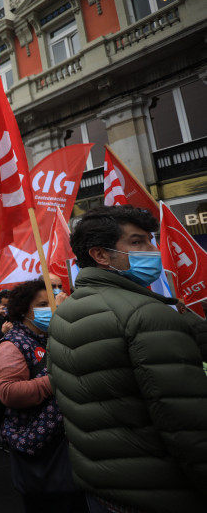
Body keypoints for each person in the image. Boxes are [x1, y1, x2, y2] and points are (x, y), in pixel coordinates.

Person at [48, 205, 207, 513]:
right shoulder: (146, 314)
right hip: (161, 491)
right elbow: (188, 424)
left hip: (104, 487)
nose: (152, 249)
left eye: (150, 240)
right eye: (137, 242)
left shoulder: (65, 312)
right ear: (101, 255)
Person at [0, 279, 86, 512]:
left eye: (52, 303)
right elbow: (9, 393)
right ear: (23, 310)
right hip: (40, 451)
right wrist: (58, 378)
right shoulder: (12, 345)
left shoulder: (52, 337)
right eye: (43, 304)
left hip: (68, 448)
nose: (50, 309)